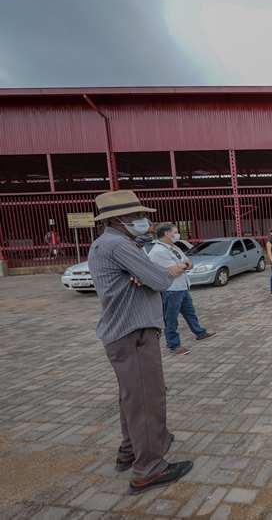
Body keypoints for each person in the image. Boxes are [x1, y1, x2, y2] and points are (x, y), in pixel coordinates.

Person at [87, 190, 192, 495]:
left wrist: (146, 274)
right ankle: (148, 469)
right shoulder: (118, 245)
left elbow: (151, 276)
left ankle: (130, 448)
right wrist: (150, 274)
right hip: (134, 333)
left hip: (124, 333)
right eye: (135, 217)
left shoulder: (111, 243)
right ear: (117, 220)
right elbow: (161, 280)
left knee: (132, 397)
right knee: (148, 398)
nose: (143, 221)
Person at [148, 222, 216, 356]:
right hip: (170, 289)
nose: (177, 234)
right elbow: (174, 272)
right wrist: (182, 266)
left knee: (190, 313)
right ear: (167, 234)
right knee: (171, 319)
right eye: (175, 232)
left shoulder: (174, 248)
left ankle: (200, 333)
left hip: (182, 287)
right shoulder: (158, 252)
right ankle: (174, 345)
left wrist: (182, 265)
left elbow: (190, 263)